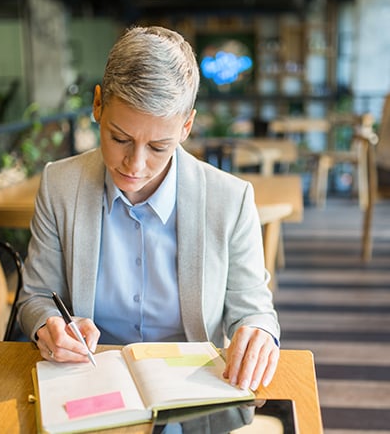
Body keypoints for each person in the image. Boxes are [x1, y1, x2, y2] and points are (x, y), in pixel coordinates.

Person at [17, 25, 280, 392]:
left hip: (192, 388)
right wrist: (48, 324)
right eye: (119, 138)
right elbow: (36, 295)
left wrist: (258, 332)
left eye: (158, 147)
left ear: (186, 125)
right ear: (97, 105)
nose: (134, 165)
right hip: (89, 380)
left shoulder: (230, 200)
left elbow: (253, 309)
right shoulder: (60, 185)